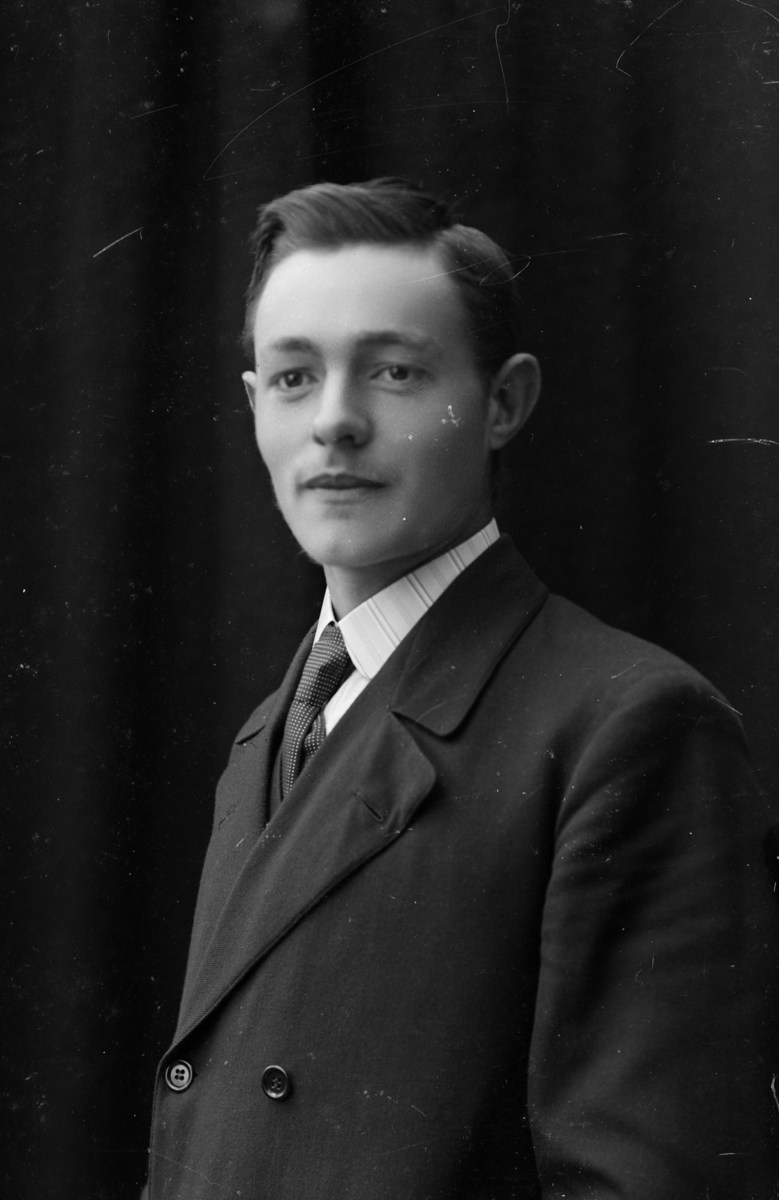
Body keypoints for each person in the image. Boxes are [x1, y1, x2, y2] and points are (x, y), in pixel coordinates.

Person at [143, 179, 778, 1199]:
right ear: (255, 406)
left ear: (503, 403)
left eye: (393, 371)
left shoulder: (627, 725)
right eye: (295, 377)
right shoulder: (275, 729)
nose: (335, 423)